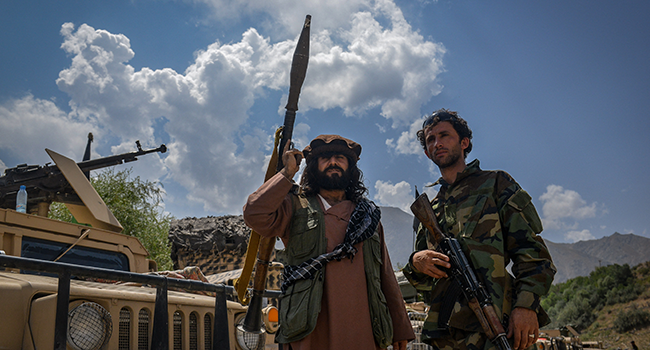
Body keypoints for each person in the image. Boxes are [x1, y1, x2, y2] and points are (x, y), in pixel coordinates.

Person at [402, 109, 556, 350]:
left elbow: (532, 253)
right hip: (444, 335)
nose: (437, 143)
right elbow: (424, 279)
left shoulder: (495, 184)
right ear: (426, 152)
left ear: (464, 142)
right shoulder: (430, 209)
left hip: (493, 325)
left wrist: (526, 306)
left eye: (445, 135)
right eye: (431, 140)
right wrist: (416, 261)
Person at [243, 134, 415, 350]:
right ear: (313, 166)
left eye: (340, 157)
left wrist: (400, 328)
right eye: (325, 158)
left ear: (351, 168)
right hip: (308, 331)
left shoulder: (368, 216)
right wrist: (286, 174)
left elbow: (386, 275)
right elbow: (254, 213)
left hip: (364, 331)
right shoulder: (294, 206)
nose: (333, 162)